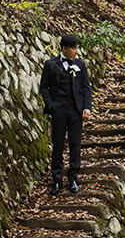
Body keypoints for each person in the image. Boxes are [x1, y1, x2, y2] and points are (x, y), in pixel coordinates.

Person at [39, 34, 93, 195]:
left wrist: (87, 107)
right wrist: (50, 104)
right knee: (58, 144)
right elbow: (44, 87)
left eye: (77, 47)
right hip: (59, 110)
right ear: (64, 48)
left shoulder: (80, 65)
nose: (77, 51)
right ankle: (56, 180)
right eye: (74, 48)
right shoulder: (50, 64)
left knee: (75, 144)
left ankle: (73, 178)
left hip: (76, 110)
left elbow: (86, 88)